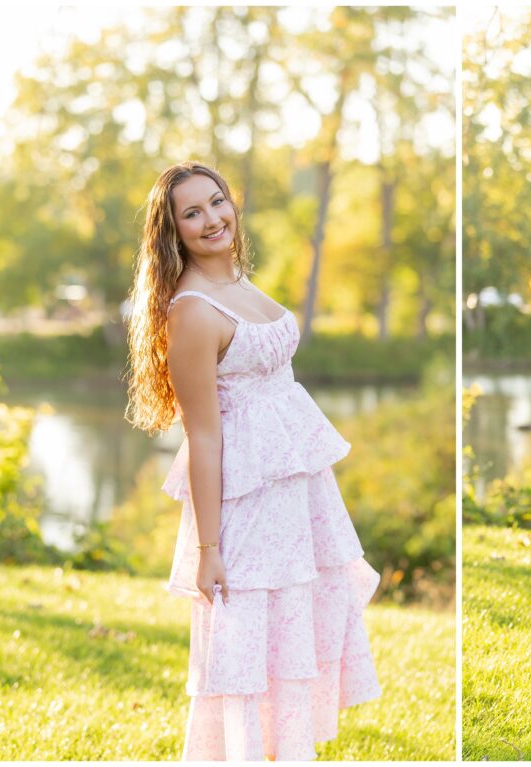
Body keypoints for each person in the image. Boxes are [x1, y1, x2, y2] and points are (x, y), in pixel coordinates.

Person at [125, 161, 380, 761]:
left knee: (288, 636)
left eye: (217, 203)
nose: (212, 218)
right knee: (245, 652)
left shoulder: (238, 284)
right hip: (244, 506)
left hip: (291, 499)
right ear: (173, 231)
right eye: (193, 212)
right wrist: (208, 551)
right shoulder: (191, 310)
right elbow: (204, 439)